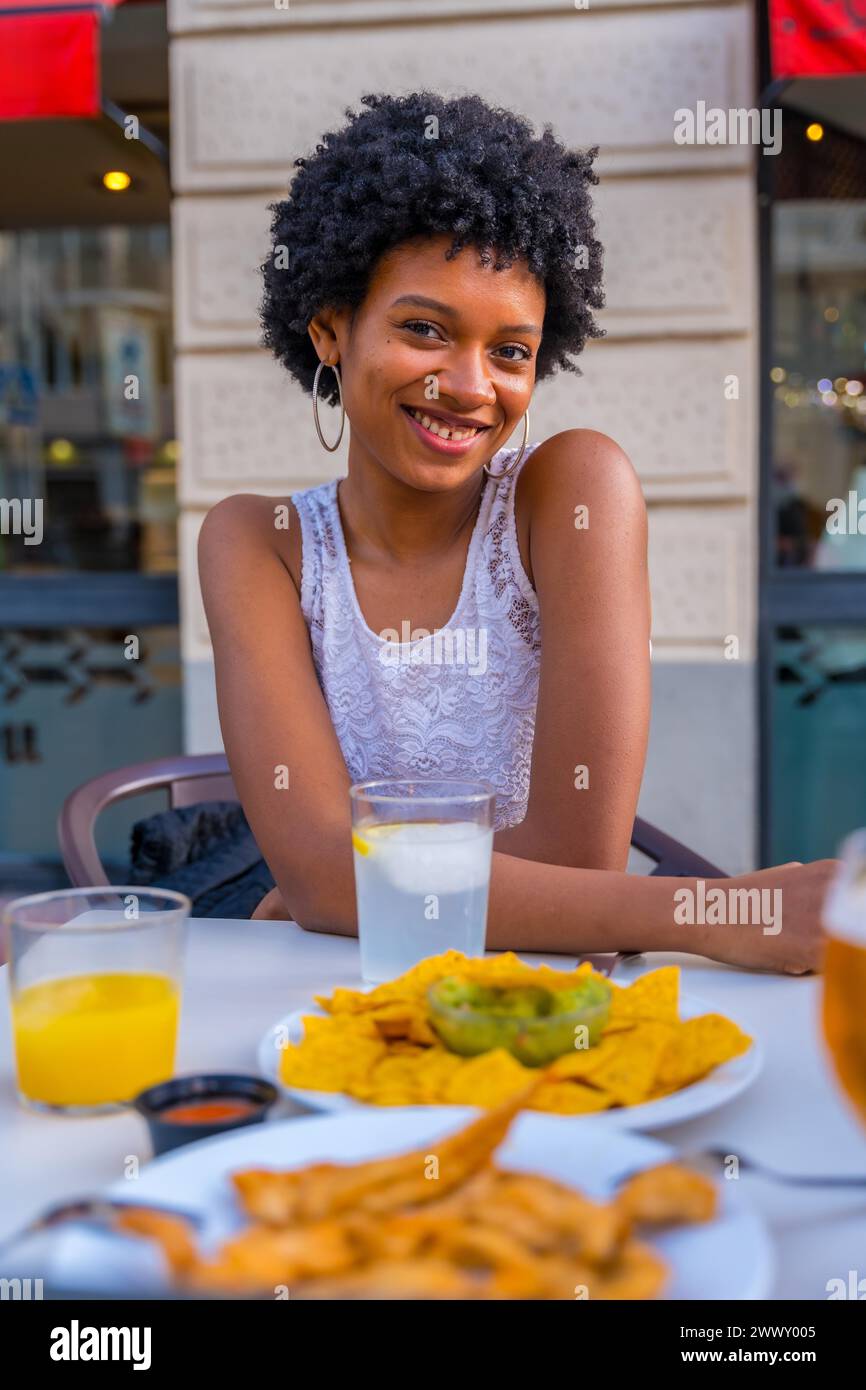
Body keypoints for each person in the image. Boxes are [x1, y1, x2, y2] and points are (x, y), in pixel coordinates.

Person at [199, 92, 832, 973]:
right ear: (331, 330)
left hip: (529, 999)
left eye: (511, 351)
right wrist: (711, 911)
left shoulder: (572, 495)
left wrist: (357, 887)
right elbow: (317, 878)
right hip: (338, 992)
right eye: (424, 329)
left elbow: (578, 868)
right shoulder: (254, 540)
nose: (469, 386)